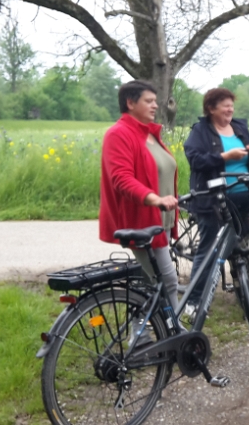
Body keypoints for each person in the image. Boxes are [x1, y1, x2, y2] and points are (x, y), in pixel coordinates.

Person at [99, 80, 181, 322]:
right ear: (130, 102)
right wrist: (155, 199)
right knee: (168, 281)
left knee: (147, 284)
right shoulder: (119, 134)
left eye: (155, 100)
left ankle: (141, 337)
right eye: (149, 101)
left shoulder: (149, 134)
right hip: (141, 219)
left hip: (161, 219)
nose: (155, 105)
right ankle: (178, 335)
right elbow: (121, 179)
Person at [182, 88, 249, 318]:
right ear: (211, 109)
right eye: (225, 106)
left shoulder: (239, 127)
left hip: (242, 196)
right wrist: (224, 158)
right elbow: (195, 159)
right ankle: (193, 302)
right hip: (214, 199)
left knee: (238, 247)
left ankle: (246, 297)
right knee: (208, 250)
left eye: (231, 105)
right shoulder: (201, 131)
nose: (230, 109)